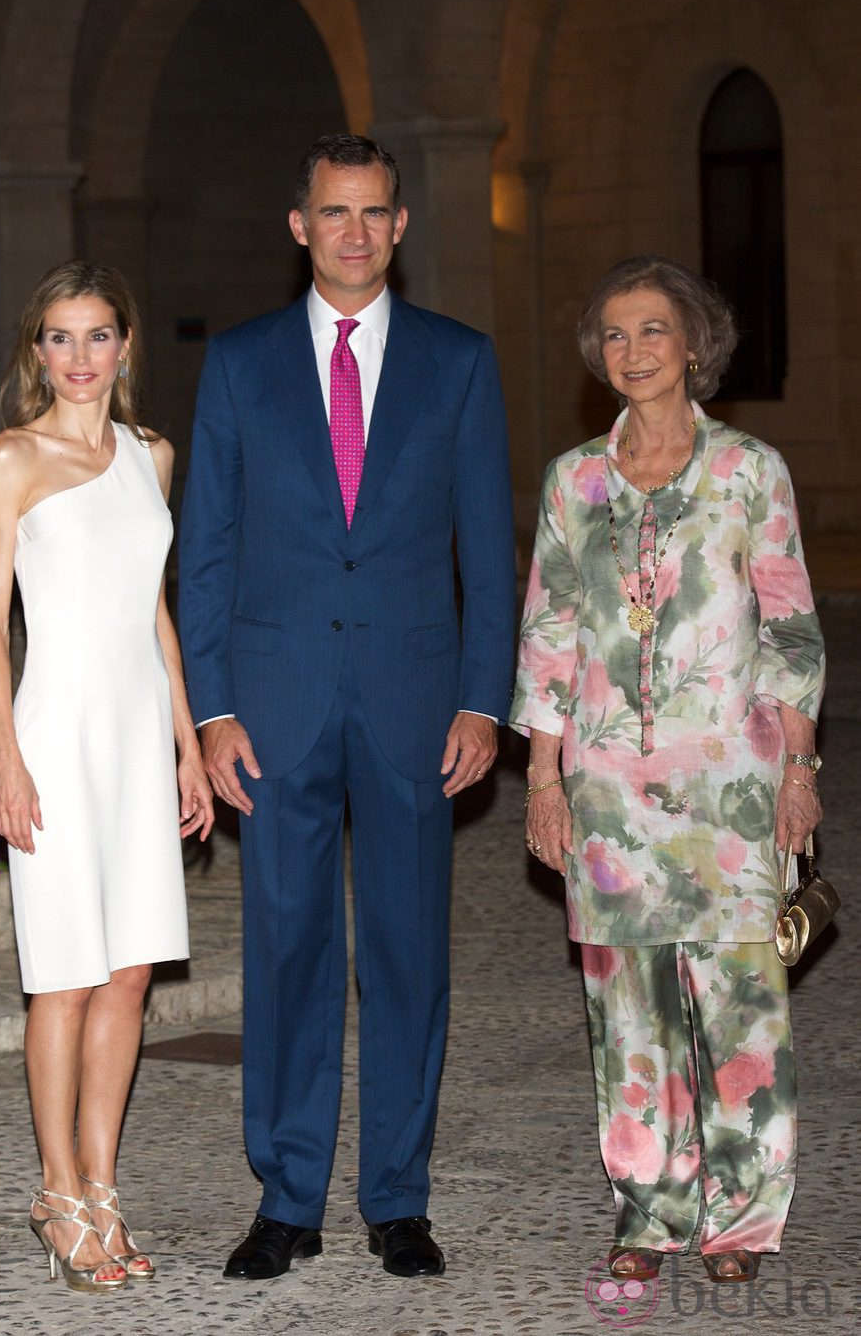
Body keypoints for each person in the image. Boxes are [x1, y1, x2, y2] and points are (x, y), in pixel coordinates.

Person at [179, 133, 516, 1280]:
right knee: (284, 950)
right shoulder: (237, 363)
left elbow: (487, 545)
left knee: (409, 951)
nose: (355, 232)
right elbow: (207, 551)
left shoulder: (458, 362)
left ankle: (396, 1198)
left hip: (419, 704)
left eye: (374, 213)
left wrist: (483, 700)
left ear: (401, 224)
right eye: (334, 213)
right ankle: (285, 1197)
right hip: (271, 709)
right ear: (298, 225)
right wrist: (212, 709)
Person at [511, 254, 825, 1286]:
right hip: (604, 792)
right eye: (612, 334)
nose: (631, 350)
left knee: (739, 1004)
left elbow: (787, 630)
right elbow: (549, 636)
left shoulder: (748, 471)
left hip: (730, 785)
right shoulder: (573, 481)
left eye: (652, 330)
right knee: (626, 1013)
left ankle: (738, 1220)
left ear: (693, 344)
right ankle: (647, 1211)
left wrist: (796, 769)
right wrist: (544, 781)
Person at [0, 261, 212, 1293]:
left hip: (132, 732)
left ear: (124, 346)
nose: (79, 357)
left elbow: (152, 608)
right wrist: (6, 763)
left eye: (97, 336)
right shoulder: (10, 458)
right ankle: (57, 1190)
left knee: (128, 974)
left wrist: (188, 743)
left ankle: (103, 1185)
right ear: (37, 353)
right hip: (56, 733)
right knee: (64, 975)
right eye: (58, 339)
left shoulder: (151, 457)